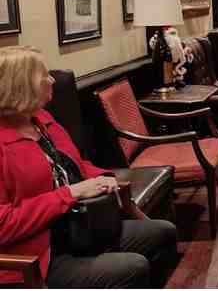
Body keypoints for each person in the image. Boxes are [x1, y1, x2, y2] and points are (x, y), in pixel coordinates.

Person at [0, 46, 177, 288]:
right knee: (133, 267)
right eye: (43, 75)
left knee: (163, 232)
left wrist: (103, 177)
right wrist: (70, 194)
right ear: (20, 85)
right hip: (40, 256)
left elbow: (72, 164)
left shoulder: (40, 119)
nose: (52, 80)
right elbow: (4, 224)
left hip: (80, 227)